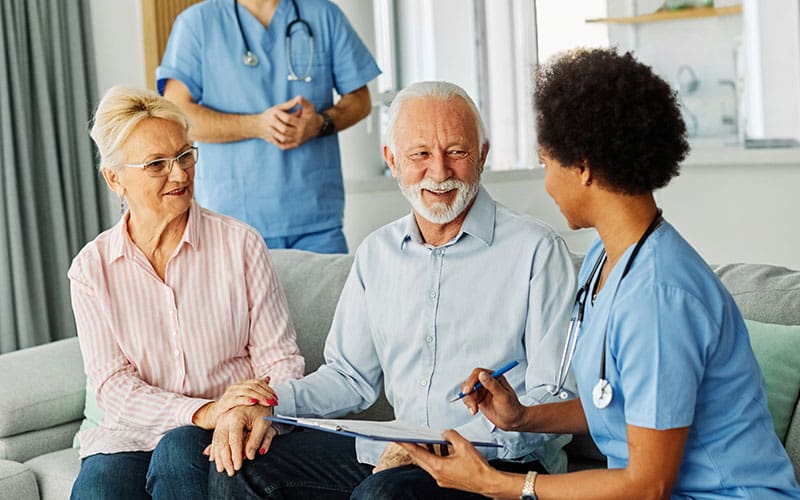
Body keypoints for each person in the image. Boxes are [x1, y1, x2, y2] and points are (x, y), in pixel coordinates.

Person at [400, 48, 800, 499]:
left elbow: (648, 486)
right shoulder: (603, 260)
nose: (547, 183)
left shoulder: (658, 297)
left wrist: (498, 483)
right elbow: (622, 403)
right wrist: (521, 417)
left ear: (584, 166)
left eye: (547, 163)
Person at [207, 81, 578, 499]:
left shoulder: (537, 251)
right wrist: (269, 403)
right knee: (236, 465)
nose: (439, 172)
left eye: (456, 152)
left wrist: (441, 443)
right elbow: (349, 378)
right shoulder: (377, 253)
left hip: (499, 462)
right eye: (419, 154)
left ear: (482, 155)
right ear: (392, 160)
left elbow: (555, 397)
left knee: (384, 494)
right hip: (398, 453)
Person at [69, 85, 305, 500]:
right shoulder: (92, 269)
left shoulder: (240, 245)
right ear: (114, 178)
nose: (179, 174)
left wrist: (253, 409)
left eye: (185, 155)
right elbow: (112, 385)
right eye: (157, 164)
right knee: (100, 492)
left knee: (179, 458)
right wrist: (198, 411)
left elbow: (281, 360)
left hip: (226, 427)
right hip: (130, 436)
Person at [157, 0, 381, 254]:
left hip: (316, 222)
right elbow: (177, 114)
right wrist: (256, 125)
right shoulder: (198, 23)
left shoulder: (323, 14)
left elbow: (360, 101)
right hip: (230, 222)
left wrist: (319, 123)